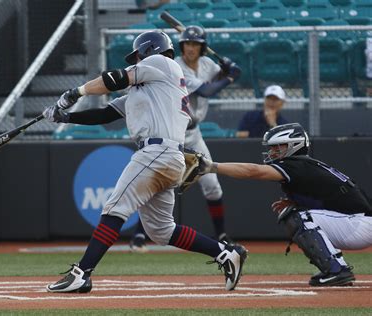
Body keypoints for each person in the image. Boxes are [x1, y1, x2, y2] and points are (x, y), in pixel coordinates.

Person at [42, 30, 248, 293]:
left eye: (139, 55)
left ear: (150, 50)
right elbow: (105, 114)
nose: (137, 60)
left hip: (156, 152)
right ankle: (224, 253)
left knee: (114, 208)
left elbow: (114, 78)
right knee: (162, 231)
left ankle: (82, 273)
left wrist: (76, 92)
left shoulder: (162, 63)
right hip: (169, 156)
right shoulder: (151, 91)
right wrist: (65, 117)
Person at [198, 123, 372, 286]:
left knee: (298, 217)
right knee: (295, 212)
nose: (272, 152)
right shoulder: (304, 164)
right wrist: (298, 200)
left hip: (360, 224)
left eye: (277, 147)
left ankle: (337, 270)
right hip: (358, 221)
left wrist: (212, 167)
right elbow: (335, 197)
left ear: (293, 145)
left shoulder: (296, 165)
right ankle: (334, 268)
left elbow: (253, 171)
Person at [130, 25, 242, 252]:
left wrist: (225, 68)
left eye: (196, 44)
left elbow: (213, 79)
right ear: (181, 46)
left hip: (194, 132)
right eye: (188, 44)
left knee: (212, 186)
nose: (191, 48)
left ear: (202, 47)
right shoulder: (176, 66)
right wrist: (230, 77)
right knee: (156, 183)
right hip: (172, 132)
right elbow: (206, 91)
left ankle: (221, 234)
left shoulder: (208, 64)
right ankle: (139, 233)